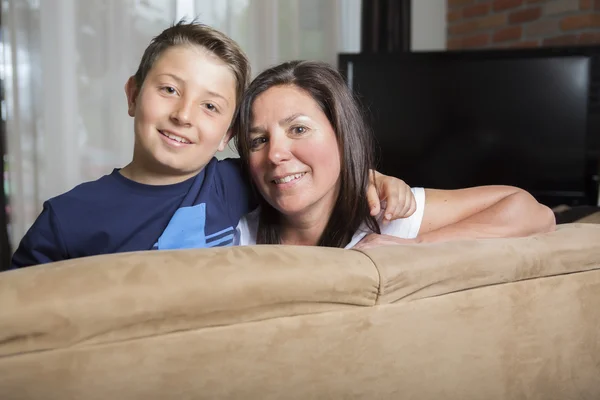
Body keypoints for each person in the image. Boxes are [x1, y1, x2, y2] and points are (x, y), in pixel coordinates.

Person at [10, 21, 412, 268]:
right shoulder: (67, 218)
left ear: (228, 134)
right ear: (133, 95)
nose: (183, 115)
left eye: (209, 106)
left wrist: (369, 179)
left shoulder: (237, 181)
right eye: (169, 89)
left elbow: (303, 174)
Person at [233, 60, 556, 249]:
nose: (274, 153)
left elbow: (535, 214)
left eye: (298, 130)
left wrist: (413, 250)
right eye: (259, 140)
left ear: (342, 136)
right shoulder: (236, 233)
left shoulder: (389, 215)